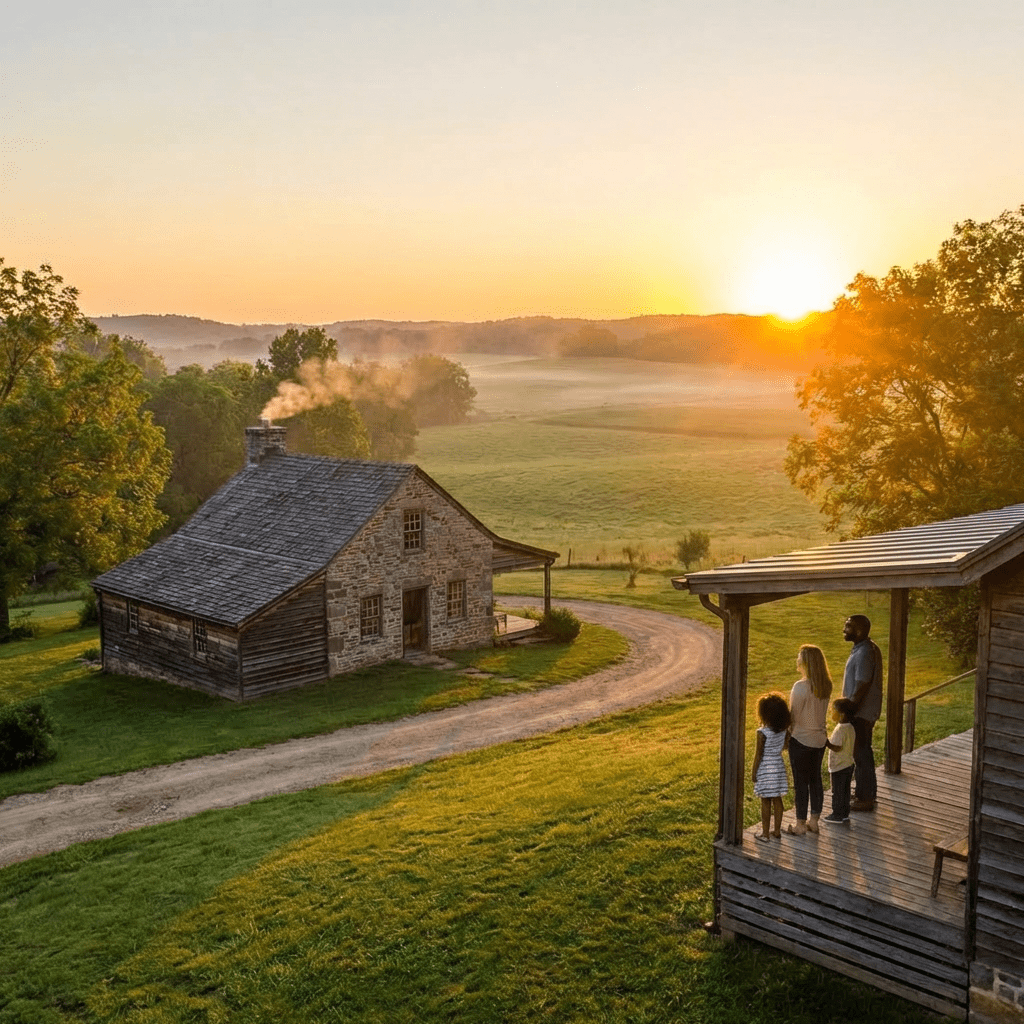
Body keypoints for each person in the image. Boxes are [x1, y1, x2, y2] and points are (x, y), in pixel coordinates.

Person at [786, 644, 833, 835]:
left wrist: (786, 735)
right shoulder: (825, 685)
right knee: (815, 780)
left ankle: (799, 824)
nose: (797, 660)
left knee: (801, 783)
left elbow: (793, 716)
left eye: (799, 657)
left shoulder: (800, 687)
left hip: (801, 740)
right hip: (819, 740)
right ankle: (814, 821)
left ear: (805, 662)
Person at [842, 614, 884, 811]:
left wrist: (850, 707)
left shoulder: (865, 652)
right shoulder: (863, 648)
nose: (844, 629)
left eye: (848, 626)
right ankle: (864, 792)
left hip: (860, 713)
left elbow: (863, 682)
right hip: (861, 712)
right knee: (861, 752)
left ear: (859, 630)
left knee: (861, 754)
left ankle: (865, 798)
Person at [751, 691, 790, 842]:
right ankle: (777, 831)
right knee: (778, 800)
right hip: (778, 766)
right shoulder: (784, 730)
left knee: (765, 801)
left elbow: (758, 754)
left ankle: (765, 834)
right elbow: (785, 746)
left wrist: (754, 772)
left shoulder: (762, 733)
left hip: (766, 768)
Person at [823, 698, 857, 824]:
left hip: (838, 766)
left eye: (833, 711)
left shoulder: (840, 729)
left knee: (837, 791)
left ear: (842, 714)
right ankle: (844, 814)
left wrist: (826, 742)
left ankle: (836, 815)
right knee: (845, 790)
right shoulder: (851, 728)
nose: (831, 713)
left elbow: (837, 747)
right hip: (848, 764)